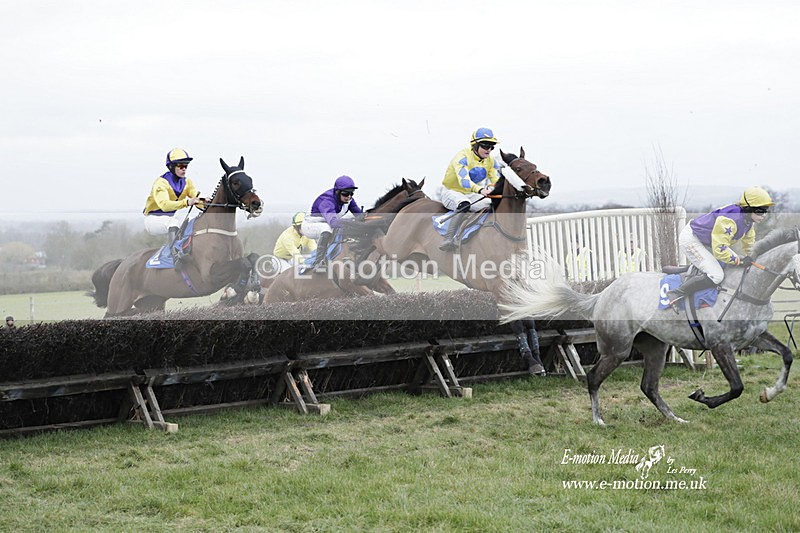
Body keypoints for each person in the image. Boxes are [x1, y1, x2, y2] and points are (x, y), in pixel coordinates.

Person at [667, 186, 774, 304]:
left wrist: (752, 257)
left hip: (707, 241)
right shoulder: (730, 219)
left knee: (728, 264)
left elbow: (749, 245)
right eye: (760, 211)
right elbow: (720, 249)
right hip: (692, 239)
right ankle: (676, 293)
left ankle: (697, 269)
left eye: (766, 210)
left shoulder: (748, 221)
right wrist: (740, 261)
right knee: (717, 275)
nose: (763, 215)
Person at [438, 127, 503, 251]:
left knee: (493, 205)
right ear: (475, 145)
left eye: (492, 146)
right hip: (452, 192)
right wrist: (481, 190)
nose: (488, 149)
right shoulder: (462, 157)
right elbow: (464, 181)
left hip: (470, 193)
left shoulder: (491, 161)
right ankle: (448, 238)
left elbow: (497, 181)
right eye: (485, 145)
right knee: (464, 204)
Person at [142, 148, 205, 266]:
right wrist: (187, 202)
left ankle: (189, 249)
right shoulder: (161, 183)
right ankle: (174, 255)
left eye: (186, 166)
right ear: (171, 167)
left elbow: (196, 201)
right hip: (153, 220)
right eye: (181, 165)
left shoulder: (187, 182)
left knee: (190, 222)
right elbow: (165, 205)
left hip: (171, 218)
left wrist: (208, 202)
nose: (184, 169)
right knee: (173, 223)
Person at [301, 175, 363, 270]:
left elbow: (360, 216)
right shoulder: (326, 201)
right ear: (337, 192)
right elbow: (333, 222)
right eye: (346, 194)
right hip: (310, 226)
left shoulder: (349, 200)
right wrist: (352, 222)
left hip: (328, 223)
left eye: (351, 193)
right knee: (327, 227)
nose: (349, 197)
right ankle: (318, 262)